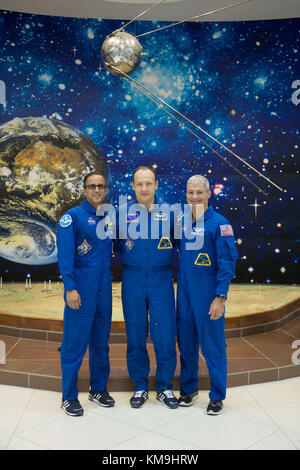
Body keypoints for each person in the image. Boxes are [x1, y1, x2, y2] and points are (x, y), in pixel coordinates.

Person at [115, 166, 178, 409]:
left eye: (148, 183)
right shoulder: (121, 214)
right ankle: (140, 385)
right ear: (132, 186)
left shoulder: (171, 213)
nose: (144, 188)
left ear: (156, 185)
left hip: (161, 280)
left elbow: (180, 243)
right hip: (133, 279)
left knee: (164, 334)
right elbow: (118, 246)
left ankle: (164, 386)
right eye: (139, 184)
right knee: (136, 333)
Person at [176, 175, 238, 415]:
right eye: (190, 192)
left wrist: (220, 297)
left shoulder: (220, 224)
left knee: (212, 346)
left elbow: (227, 262)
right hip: (185, 295)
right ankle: (189, 390)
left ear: (209, 193)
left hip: (208, 295)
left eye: (199, 192)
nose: (194, 197)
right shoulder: (182, 222)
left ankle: (216, 395)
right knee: (187, 344)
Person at [56, 172, 115, 416]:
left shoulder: (108, 216)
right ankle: (68, 397)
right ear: (84, 190)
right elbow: (65, 256)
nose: (97, 190)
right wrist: (70, 287)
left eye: (101, 186)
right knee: (74, 344)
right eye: (92, 186)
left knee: (101, 344)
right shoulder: (72, 218)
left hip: (103, 290)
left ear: (105, 189)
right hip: (80, 290)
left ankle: (98, 389)